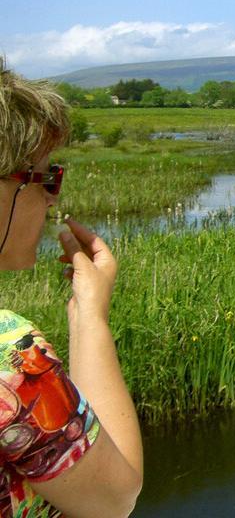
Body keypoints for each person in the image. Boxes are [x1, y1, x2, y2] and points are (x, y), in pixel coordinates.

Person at [0, 58, 142, 517]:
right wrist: (89, 317)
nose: (52, 197)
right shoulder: (12, 360)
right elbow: (114, 497)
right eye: (45, 177)